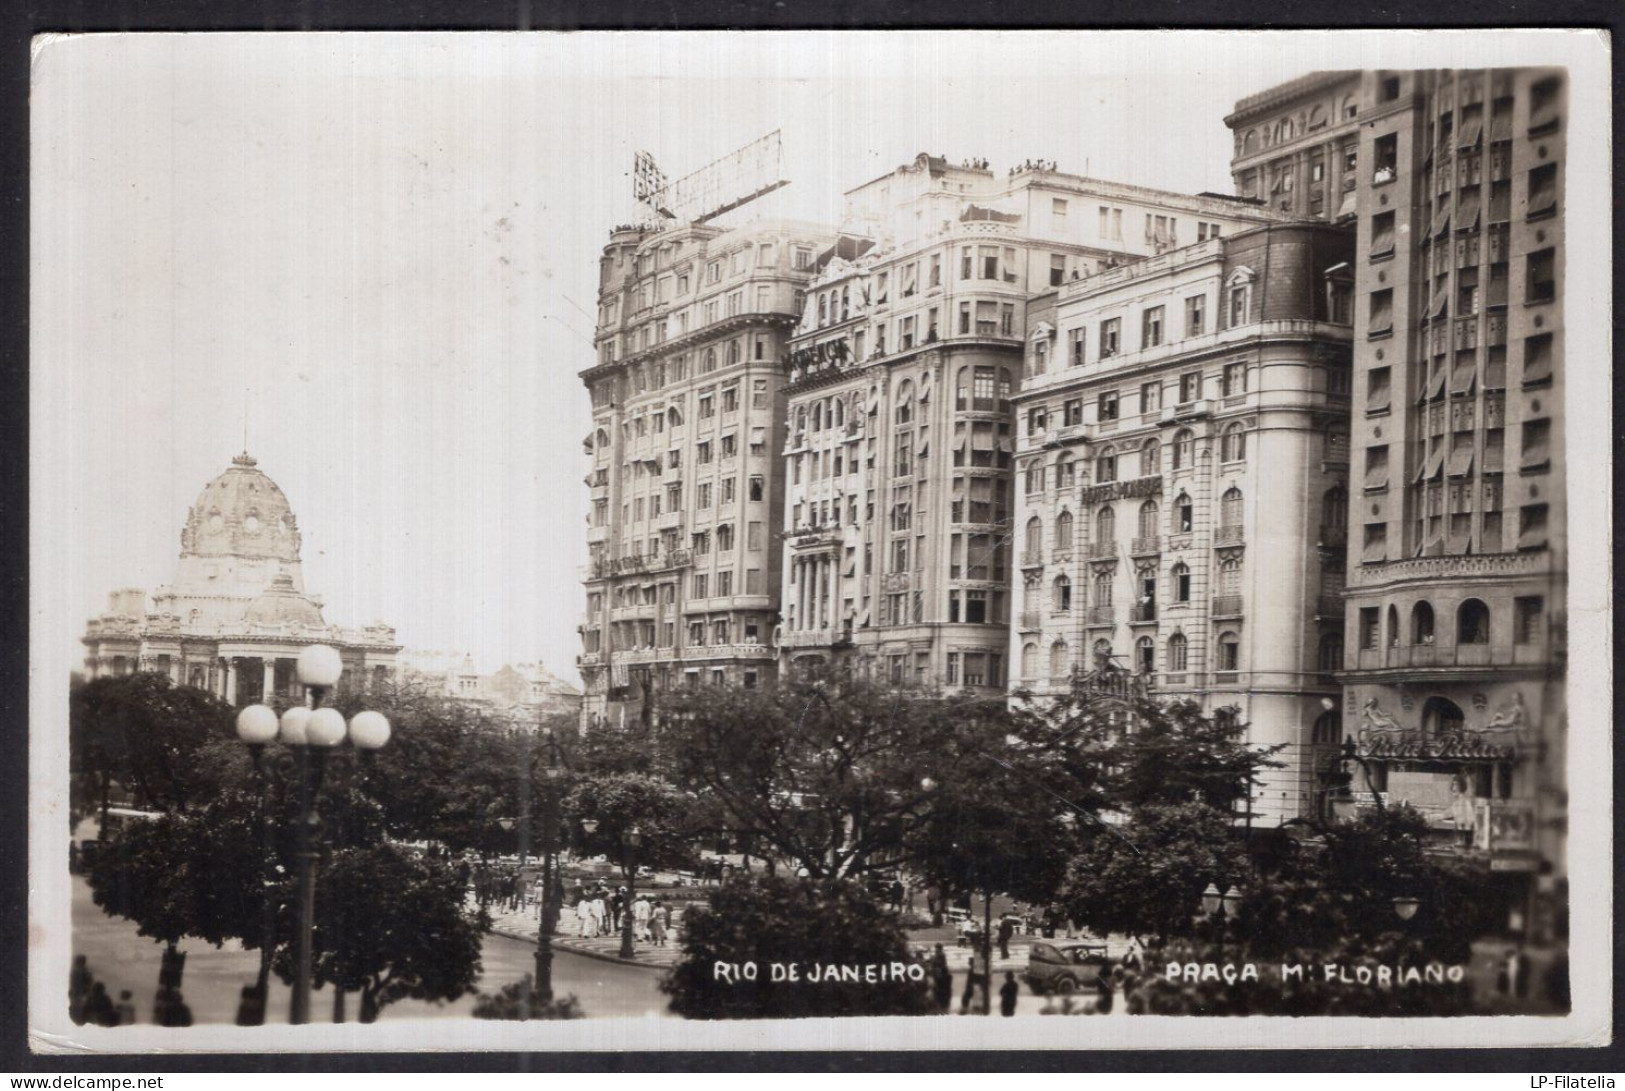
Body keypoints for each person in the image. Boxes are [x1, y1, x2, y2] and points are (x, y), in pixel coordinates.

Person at [929, 945, 952, 1013]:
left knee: (939, 986)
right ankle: (939, 999)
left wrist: (932, 959)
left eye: (937, 948)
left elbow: (938, 963)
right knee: (938, 985)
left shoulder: (940, 955)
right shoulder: (939, 954)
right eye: (936, 948)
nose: (936, 949)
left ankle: (940, 1001)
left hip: (940, 973)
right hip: (939, 973)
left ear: (939, 949)